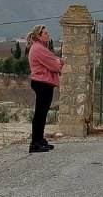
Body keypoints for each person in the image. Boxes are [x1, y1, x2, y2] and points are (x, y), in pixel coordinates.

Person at [26, 25, 64, 153]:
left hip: (43, 83)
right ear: (38, 36)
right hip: (42, 83)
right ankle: (35, 142)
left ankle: (40, 140)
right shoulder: (39, 49)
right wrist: (57, 62)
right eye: (46, 33)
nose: (48, 35)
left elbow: (55, 61)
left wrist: (57, 61)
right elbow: (55, 64)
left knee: (42, 113)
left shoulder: (41, 48)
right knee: (40, 114)